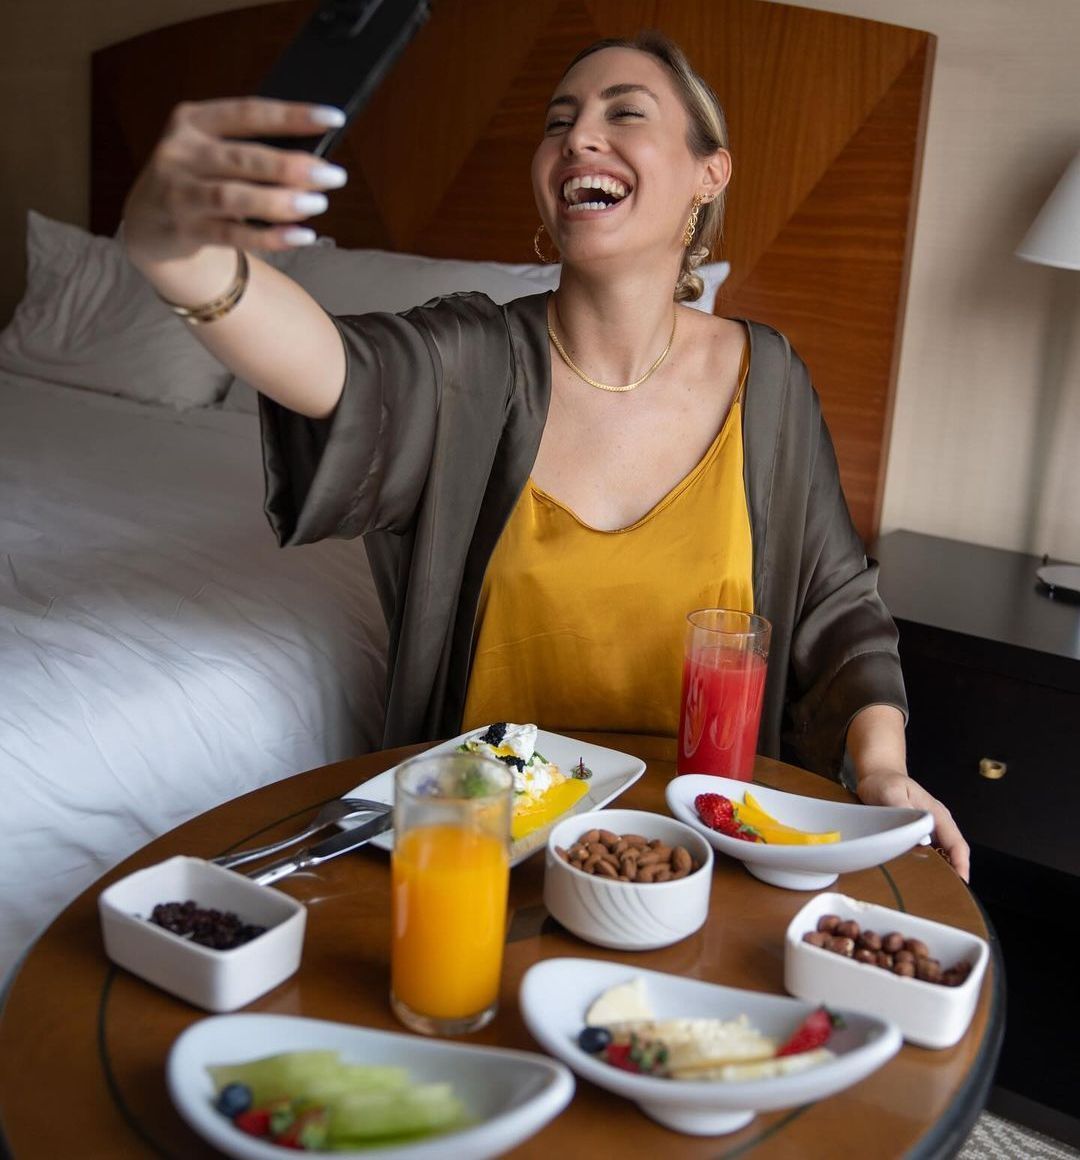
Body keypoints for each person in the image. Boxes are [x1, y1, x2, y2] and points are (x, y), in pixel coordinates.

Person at [121, 32, 969, 880]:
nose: (578, 138)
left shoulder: (768, 378)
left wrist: (883, 766)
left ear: (710, 174)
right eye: (558, 121)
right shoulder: (474, 360)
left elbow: (838, 603)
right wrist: (185, 257)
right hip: (483, 851)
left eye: (623, 112)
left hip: (707, 853)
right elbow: (339, 371)